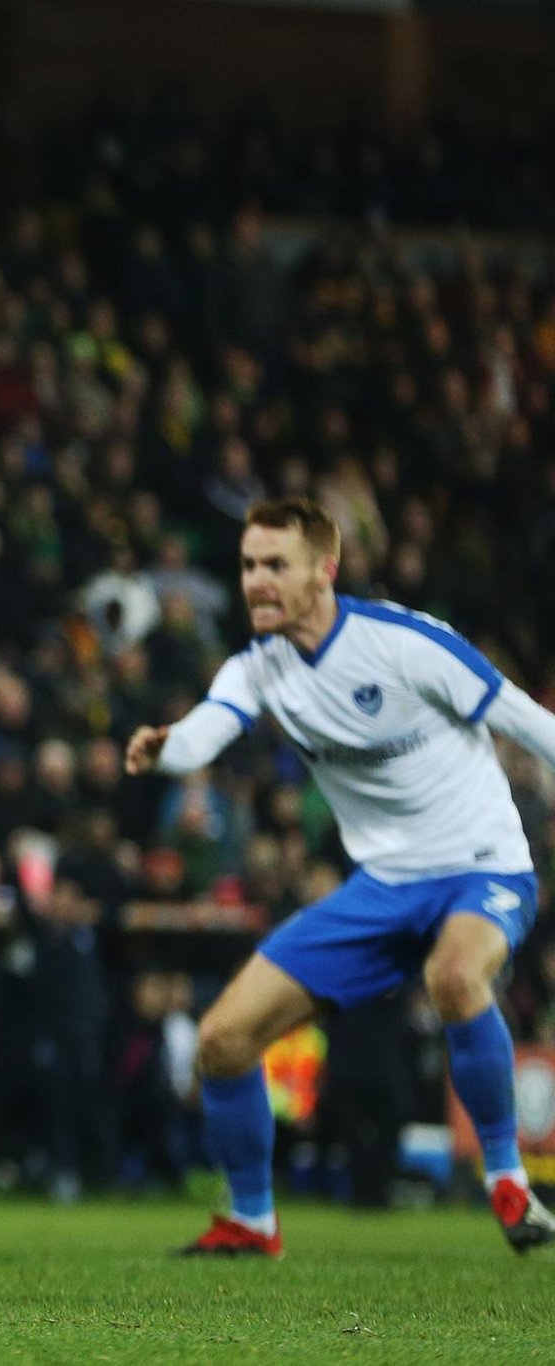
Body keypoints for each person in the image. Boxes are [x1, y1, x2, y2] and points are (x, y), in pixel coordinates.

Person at [126, 497, 555, 1257]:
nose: (257, 581)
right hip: (383, 886)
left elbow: (526, 721)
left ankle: (507, 1181)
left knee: (456, 977)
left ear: (324, 570)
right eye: (249, 565)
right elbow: (202, 734)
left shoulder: (405, 644)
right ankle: (253, 1221)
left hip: (480, 867)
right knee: (223, 1040)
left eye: (275, 566)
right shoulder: (258, 668)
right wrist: (164, 746)